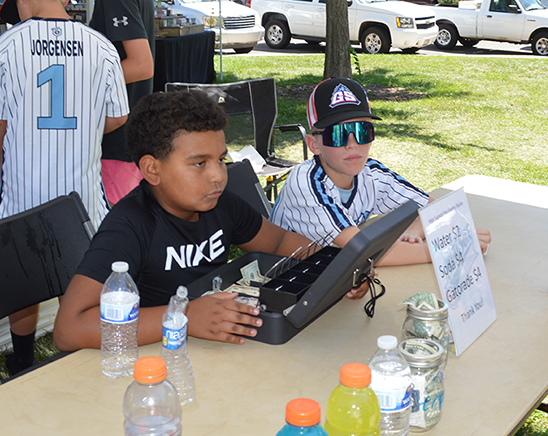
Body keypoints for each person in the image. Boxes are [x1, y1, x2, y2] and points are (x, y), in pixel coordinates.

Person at [52, 91, 370, 352]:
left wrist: (338, 270)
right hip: (157, 360)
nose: (218, 175)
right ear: (152, 170)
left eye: (220, 159)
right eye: (199, 163)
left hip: (218, 350)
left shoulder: (221, 206)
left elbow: (279, 243)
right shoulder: (128, 227)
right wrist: (183, 315)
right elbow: (69, 329)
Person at [0, 0, 128, 375]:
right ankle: (75, 358)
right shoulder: (100, 45)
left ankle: (21, 360)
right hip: (80, 194)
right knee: (78, 280)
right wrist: (86, 123)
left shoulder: (9, 44)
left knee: (24, 279)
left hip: (25, 188)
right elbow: (118, 117)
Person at [270, 77, 491, 266]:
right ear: (314, 145)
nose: (352, 144)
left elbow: (438, 209)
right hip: (285, 279)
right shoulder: (305, 182)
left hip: (330, 274)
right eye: (337, 134)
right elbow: (361, 252)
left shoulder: (371, 173)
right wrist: (445, 249)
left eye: (362, 131)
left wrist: (416, 230)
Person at [62, 0, 155, 205]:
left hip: (117, 139)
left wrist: (80, 82)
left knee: (118, 234)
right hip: (130, 132)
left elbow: (141, 64)